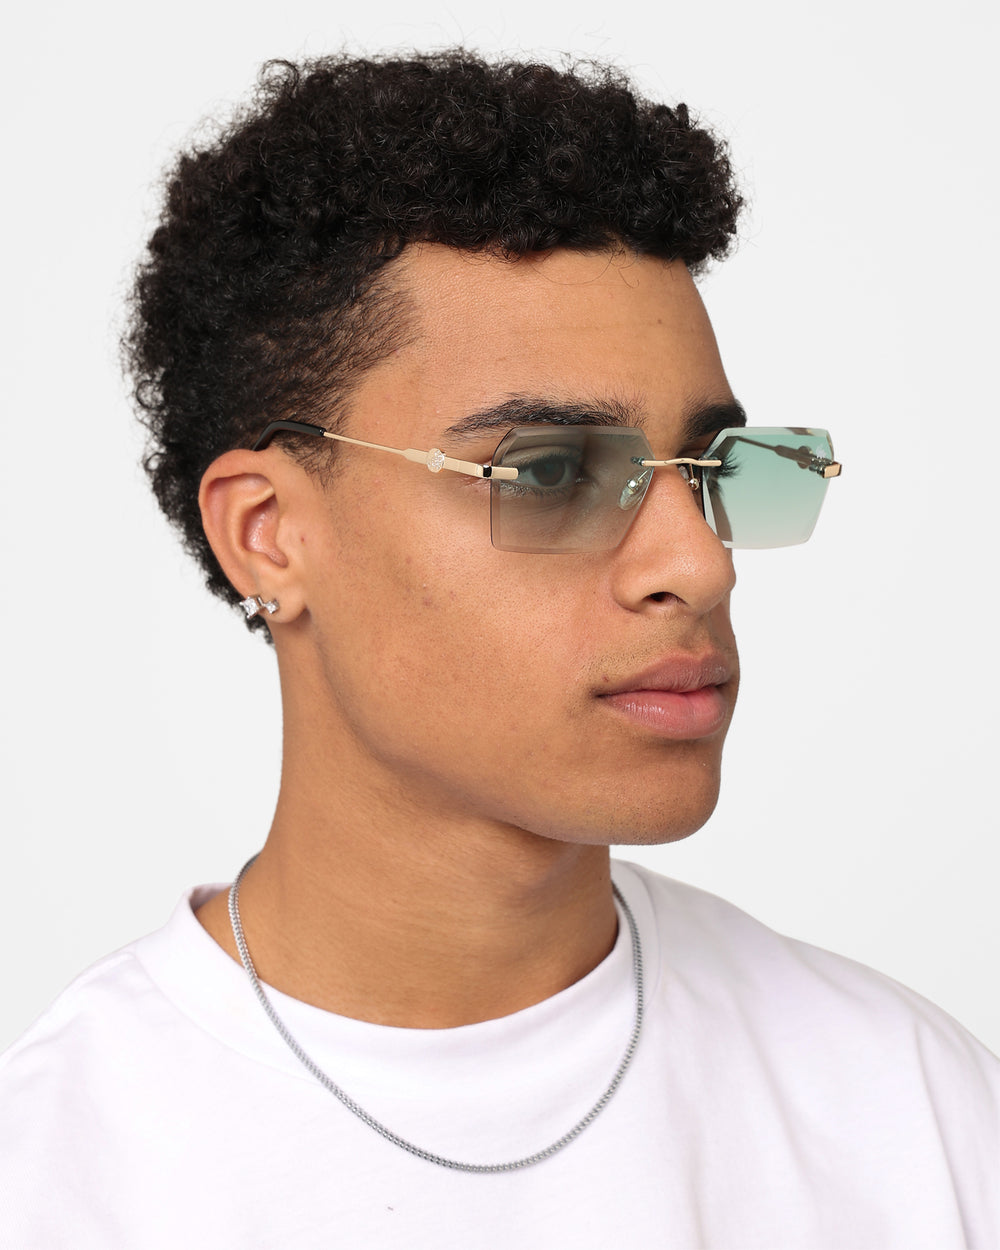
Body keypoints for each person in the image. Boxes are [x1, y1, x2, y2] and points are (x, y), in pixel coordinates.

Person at [1, 50, 997, 1249]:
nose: (698, 562)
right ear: (269, 535)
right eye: (549, 471)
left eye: (710, 469)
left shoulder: (909, 1113)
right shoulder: (61, 1174)